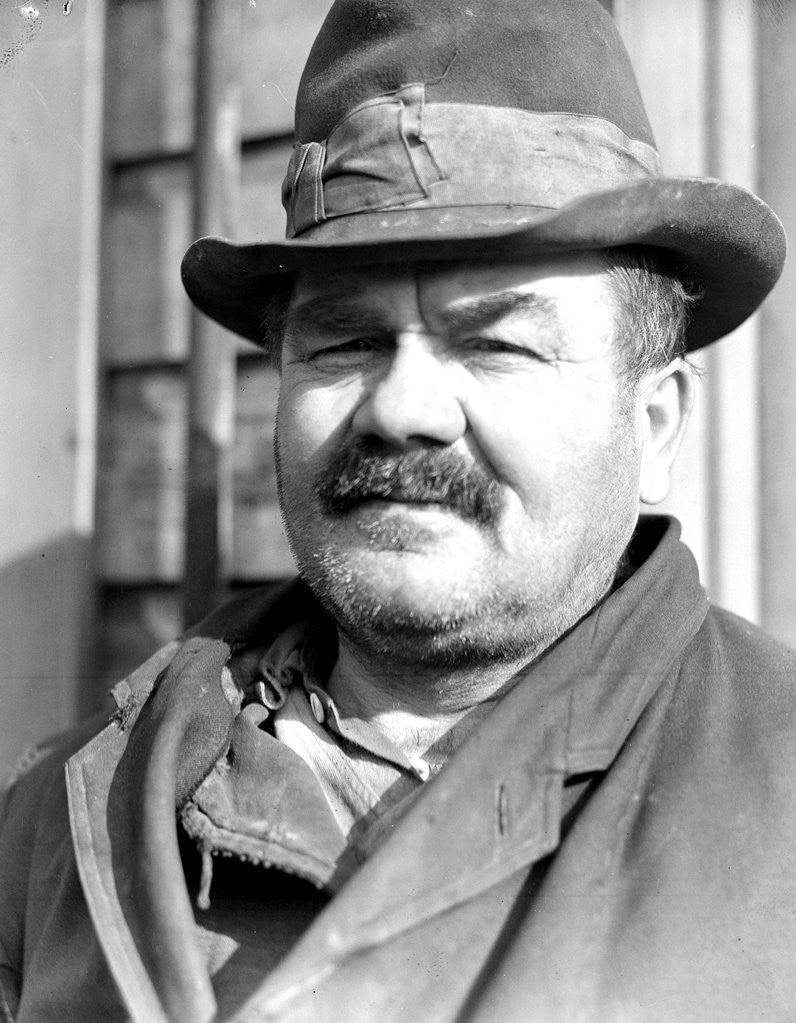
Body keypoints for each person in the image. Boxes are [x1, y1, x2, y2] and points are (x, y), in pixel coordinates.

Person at [1, 1, 793, 1020]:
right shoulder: (56, 830)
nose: (403, 408)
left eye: (497, 343)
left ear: (655, 424)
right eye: (343, 344)